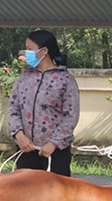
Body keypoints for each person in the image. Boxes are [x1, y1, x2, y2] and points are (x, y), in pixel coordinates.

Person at [8, 29, 80, 176]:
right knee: (26, 194)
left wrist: (53, 143)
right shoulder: (23, 79)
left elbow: (71, 116)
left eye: (29, 49)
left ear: (44, 51)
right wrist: (19, 136)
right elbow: (13, 109)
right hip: (26, 149)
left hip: (54, 152)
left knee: (54, 196)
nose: (26, 53)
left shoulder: (65, 80)